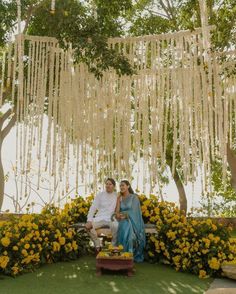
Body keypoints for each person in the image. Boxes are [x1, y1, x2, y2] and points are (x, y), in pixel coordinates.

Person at [115, 180, 146, 262]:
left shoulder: (134, 197)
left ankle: (128, 254)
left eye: (123, 185)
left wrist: (125, 215)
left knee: (127, 226)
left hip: (133, 221)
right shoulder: (120, 198)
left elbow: (135, 212)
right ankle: (124, 254)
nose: (121, 187)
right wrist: (118, 214)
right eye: (120, 186)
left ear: (128, 186)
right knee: (124, 224)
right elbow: (117, 211)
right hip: (122, 220)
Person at [85, 178, 118, 253]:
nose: (108, 186)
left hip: (111, 218)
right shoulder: (100, 195)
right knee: (88, 226)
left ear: (114, 186)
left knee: (116, 226)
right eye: (106, 184)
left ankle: (113, 246)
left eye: (110, 184)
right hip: (99, 218)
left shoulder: (117, 196)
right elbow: (93, 208)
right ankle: (97, 245)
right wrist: (89, 220)